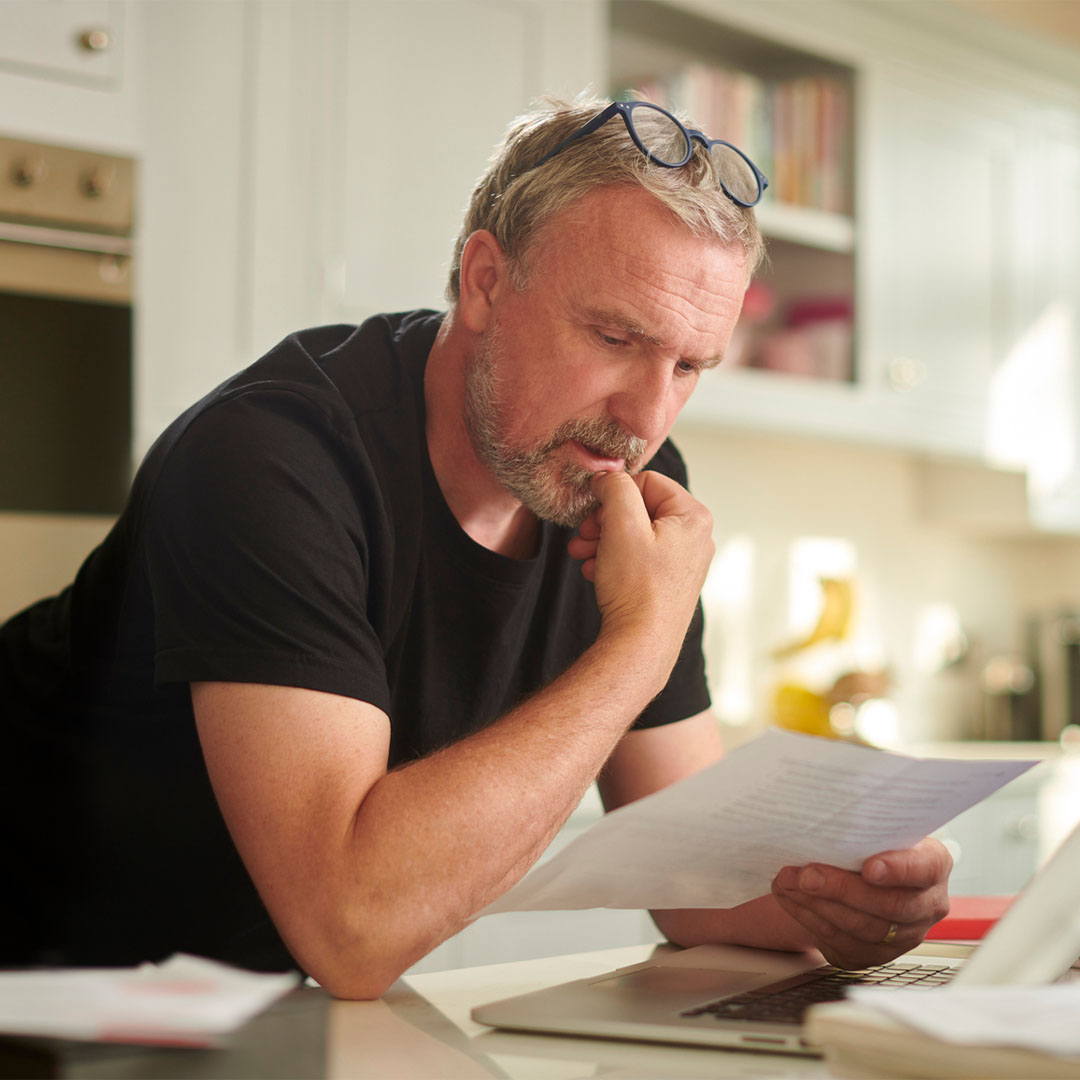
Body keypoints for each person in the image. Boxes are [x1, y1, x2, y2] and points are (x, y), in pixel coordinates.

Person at [0, 98, 949, 997]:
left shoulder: (611, 476)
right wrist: (638, 644)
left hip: (239, 1009)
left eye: (690, 365)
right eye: (617, 336)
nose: (647, 418)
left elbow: (692, 875)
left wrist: (853, 895)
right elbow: (352, 929)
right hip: (45, 993)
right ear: (486, 280)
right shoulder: (271, 456)